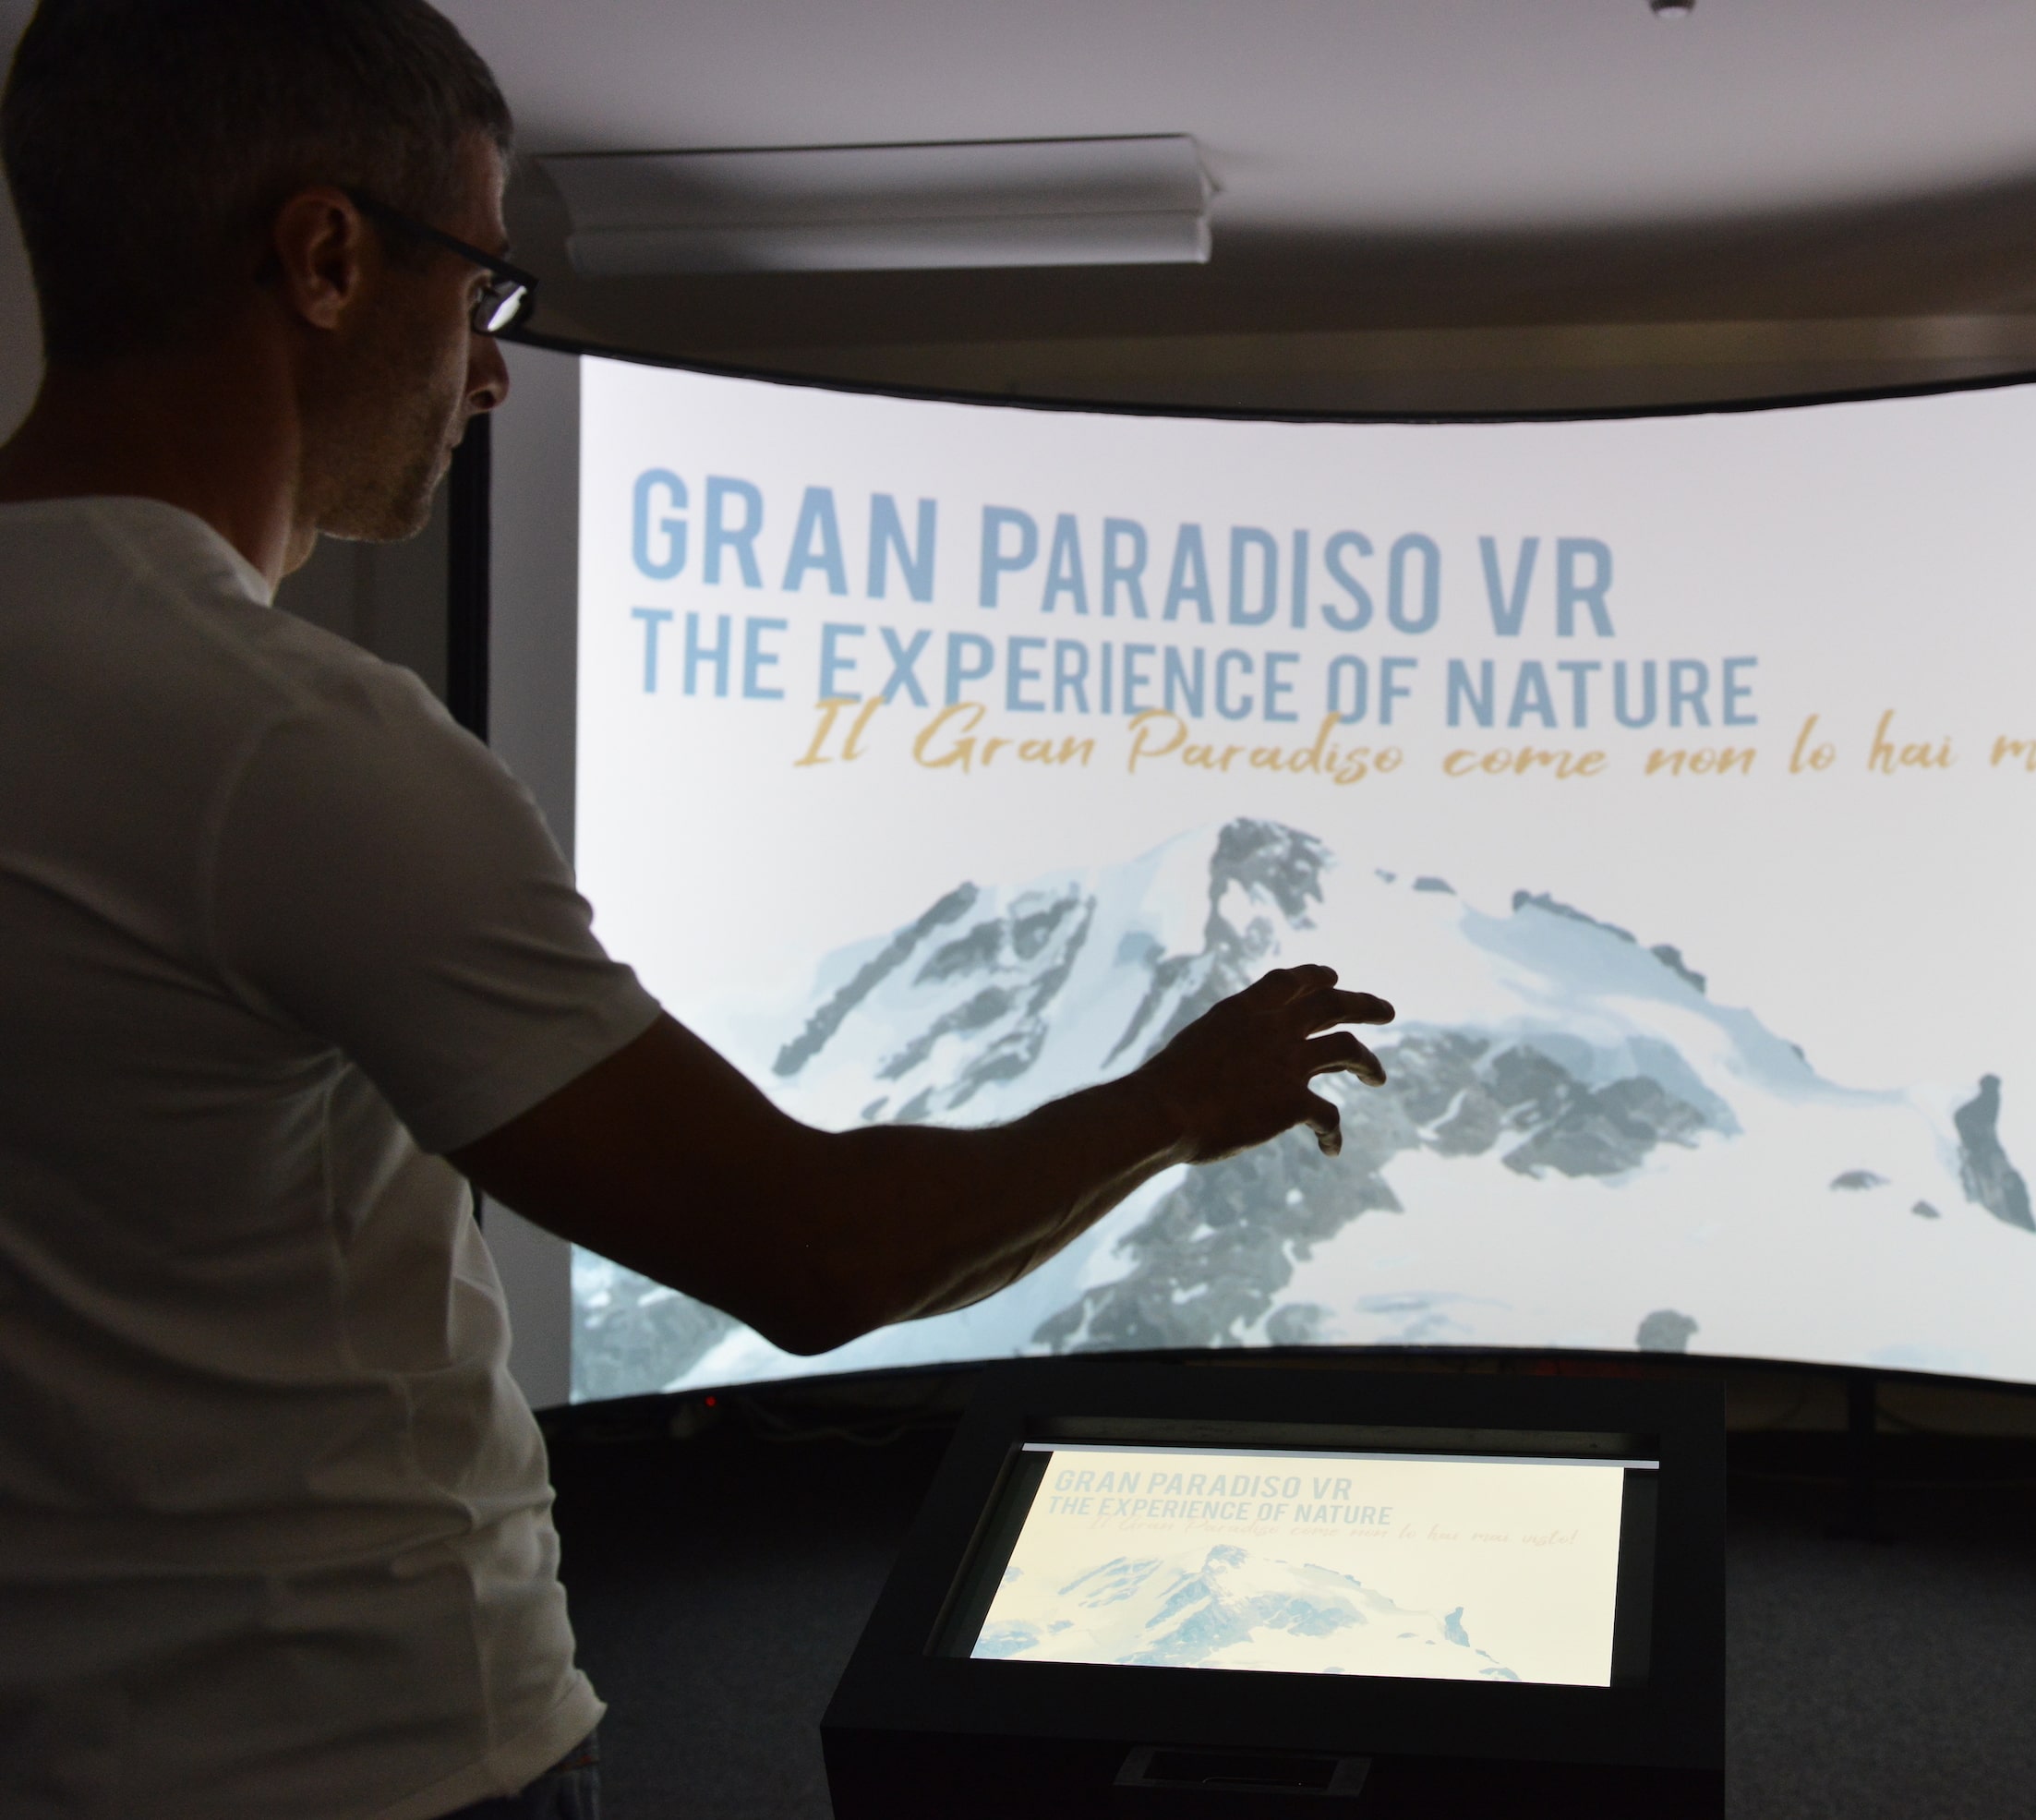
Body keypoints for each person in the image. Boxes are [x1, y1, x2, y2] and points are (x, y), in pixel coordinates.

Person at [0, 4, 1393, 1816]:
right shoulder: (285, 745)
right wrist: (1174, 1103)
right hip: (362, 1751)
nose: (491, 373)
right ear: (327, 258)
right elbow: (809, 1254)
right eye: (483, 288)